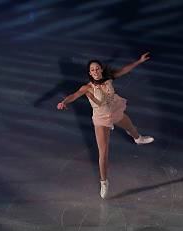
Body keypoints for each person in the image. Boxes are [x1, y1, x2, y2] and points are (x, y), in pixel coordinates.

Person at [57, 53, 154, 198]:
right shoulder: (87, 88)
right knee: (103, 153)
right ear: (89, 73)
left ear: (101, 69)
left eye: (97, 68)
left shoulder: (108, 78)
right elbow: (74, 95)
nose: (95, 71)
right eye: (92, 70)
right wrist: (64, 102)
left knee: (131, 128)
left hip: (114, 110)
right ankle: (104, 182)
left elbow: (124, 70)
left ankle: (138, 139)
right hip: (101, 119)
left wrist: (139, 61)